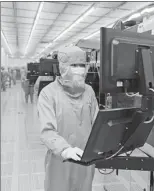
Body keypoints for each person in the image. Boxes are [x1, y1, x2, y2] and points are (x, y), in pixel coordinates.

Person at [37, 46, 99, 191]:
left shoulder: (88, 91)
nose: (79, 69)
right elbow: (47, 131)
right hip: (60, 160)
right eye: (74, 65)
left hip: (85, 159)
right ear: (63, 67)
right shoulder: (48, 94)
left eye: (82, 65)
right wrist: (65, 150)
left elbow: (96, 122)